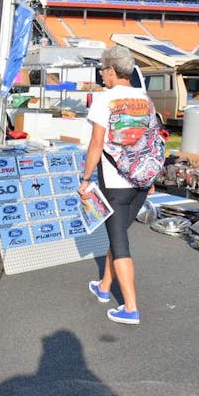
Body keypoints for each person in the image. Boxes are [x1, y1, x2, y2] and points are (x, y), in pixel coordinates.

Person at [80, 45, 152, 325]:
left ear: (112, 70)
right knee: (117, 234)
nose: (101, 74)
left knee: (120, 242)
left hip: (115, 181)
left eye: (102, 69)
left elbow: (96, 144)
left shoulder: (105, 99)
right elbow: (152, 142)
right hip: (141, 180)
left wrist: (85, 179)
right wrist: (151, 180)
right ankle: (104, 287)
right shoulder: (145, 98)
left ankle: (130, 307)